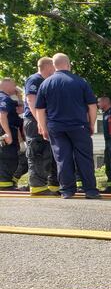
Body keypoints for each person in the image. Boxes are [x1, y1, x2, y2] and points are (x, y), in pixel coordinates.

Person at [35, 53, 101, 199]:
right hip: (79, 126)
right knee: (84, 158)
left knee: (62, 158)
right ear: (68, 64)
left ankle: (67, 191)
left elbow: (40, 109)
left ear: (54, 65)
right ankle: (90, 190)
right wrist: (91, 124)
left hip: (56, 127)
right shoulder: (81, 82)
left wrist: (43, 127)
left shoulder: (46, 83)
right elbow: (92, 106)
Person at [23, 57, 60, 196]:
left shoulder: (46, 81)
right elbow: (31, 100)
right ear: (48, 66)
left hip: (44, 121)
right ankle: (38, 187)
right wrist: (40, 121)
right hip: (34, 121)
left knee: (47, 153)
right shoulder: (35, 80)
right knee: (37, 153)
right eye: (54, 65)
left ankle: (51, 185)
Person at [0, 78, 23, 190]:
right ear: (7, 85)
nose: (15, 88)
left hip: (7, 129)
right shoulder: (4, 98)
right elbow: (2, 115)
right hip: (5, 130)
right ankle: (4, 184)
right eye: (14, 85)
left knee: (9, 156)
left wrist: (19, 97)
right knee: (8, 157)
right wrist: (7, 133)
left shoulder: (7, 99)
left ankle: (6, 183)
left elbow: (20, 110)